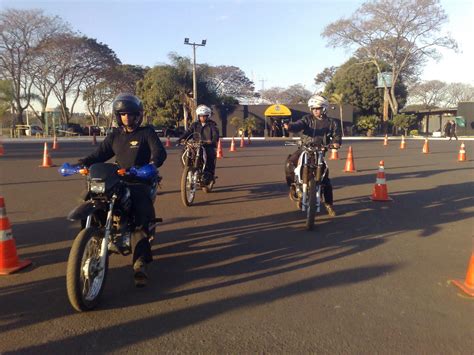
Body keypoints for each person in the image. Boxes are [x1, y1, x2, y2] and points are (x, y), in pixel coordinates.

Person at [78, 93, 167, 287]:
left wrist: (151, 165)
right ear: (118, 116)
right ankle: (88, 239)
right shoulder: (115, 136)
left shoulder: (146, 132)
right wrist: (83, 163)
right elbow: (99, 154)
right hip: (117, 178)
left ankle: (140, 262)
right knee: (91, 197)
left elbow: (159, 153)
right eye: (123, 114)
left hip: (138, 180)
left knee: (141, 215)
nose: (127, 117)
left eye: (131, 114)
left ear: (138, 115)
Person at [283, 94, 342, 217]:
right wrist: (289, 127)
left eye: (318, 108)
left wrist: (335, 143)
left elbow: (337, 136)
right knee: (289, 163)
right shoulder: (307, 119)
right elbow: (298, 125)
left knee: (325, 179)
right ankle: (293, 187)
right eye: (313, 108)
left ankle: (329, 204)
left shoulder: (332, 123)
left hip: (320, 151)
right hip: (304, 149)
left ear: (324, 108)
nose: (315, 110)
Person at [179, 104, 219, 184]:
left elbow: (215, 135)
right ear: (198, 116)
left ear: (208, 116)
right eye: (201, 116)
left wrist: (211, 141)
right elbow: (188, 132)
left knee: (210, 155)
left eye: (204, 116)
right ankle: (186, 170)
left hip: (207, 145)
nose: (202, 117)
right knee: (183, 152)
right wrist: (181, 138)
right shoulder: (195, 125)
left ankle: (209, 175)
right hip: (195, 144)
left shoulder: (212, 125)